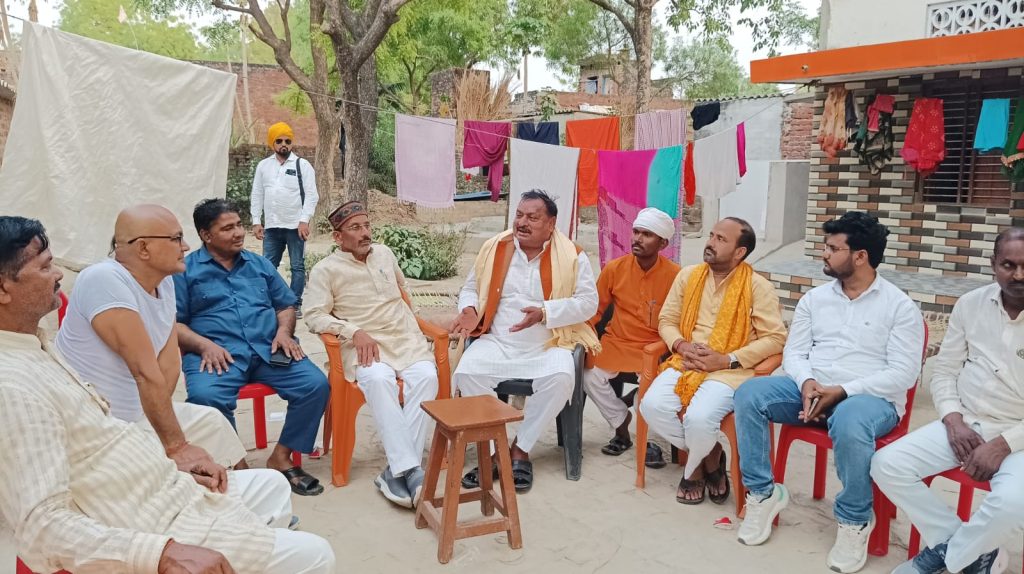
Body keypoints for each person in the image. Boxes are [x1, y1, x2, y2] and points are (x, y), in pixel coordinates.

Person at [0, 215, 335, 574]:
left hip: (149, 484)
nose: (58, 274)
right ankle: (244, 544)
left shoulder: (36, 346)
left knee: (272, 486)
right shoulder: (13, 386)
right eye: (45, 266)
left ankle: (249, 533)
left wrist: (167, 469)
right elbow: (42, 525)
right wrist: (159, 552)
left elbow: (164, 366)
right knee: (317, 554)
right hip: (140, 516)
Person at [734, 211, 924, 574]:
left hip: (871, 400)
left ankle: (855, 519)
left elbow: (903, 373)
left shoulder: (900, 307)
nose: (824, 253)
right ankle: (762, 493)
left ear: (860, 256)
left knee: (850, 419)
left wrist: (843, 391)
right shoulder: (815, 299)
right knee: (750, 395)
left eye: (833, 248)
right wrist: (807, 383)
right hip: (812, 389)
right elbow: (794, 353)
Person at [872, 227, 1024, 574]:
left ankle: (949, 557)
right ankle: (971, 550)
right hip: (966, 422)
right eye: (1009, 265)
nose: (1018, 275)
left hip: (1019, 435)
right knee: (887, 464)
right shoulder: (971, 304)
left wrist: (1003, 444)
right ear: (993, 264)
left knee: (1012, 505)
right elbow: (944, 372)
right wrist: (953, 420)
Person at [55, 205, 246, 478]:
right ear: (143, 248)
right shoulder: (103, 279)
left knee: (213, 422)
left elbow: (168, 367)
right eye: (176, 238)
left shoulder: (164, 282)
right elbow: (145, 372)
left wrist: (158, 428)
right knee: (187, 459)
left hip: (138, 417)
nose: (186, 246)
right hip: (99, 427)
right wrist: (176, 447)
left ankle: (237, 489)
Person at [175, 198, 330, 496]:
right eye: (227, 228)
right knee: (205, 397)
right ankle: (239, 467)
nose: (238, 233)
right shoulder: (184, 271)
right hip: (217, 356)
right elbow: (174, 323)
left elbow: (285, 305)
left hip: (267, 349)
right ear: (206, 235)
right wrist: (204, 345)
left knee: (315, 385)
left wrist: (284, 332)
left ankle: (281, 457)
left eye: (239, 225)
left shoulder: (259, 264)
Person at [450, 189, 599, 493]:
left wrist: (545, 313)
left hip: (548, 343)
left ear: (551, 223)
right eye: (519, 215)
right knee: (466, 372)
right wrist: (469, 309)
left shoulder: (573, 255)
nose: (522, 222)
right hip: (497, 341)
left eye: (532, 217)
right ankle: (496, 451)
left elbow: (588, 303)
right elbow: (470, 288)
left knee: (562, 378)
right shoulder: (495, 248)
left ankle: (521, 448)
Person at [638, 217, 786, 506]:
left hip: (730, 371)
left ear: (740, 252)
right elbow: (667, 320)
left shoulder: (758, 287)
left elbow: (775, 338)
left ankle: (692, 471)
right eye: (711, 235)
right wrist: (681, 345)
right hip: (687, 361)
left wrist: (728, 359)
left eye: (721, 239)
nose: (710, 243)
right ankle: (711, 455)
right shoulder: (689, 276)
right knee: (651, 406)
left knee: (699, 418)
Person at [303, 201, 438, 508]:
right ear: (338, 237)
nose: (365, 233)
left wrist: (417, 319)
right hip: (364, 346)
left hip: (405, 340)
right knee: (378, 380)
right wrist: (352, 331)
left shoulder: (385, 254)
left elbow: (403, 290)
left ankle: (398, 471)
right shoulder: (326, 270)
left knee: (427, 377)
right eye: (355, 228)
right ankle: (410, 471)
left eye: (366, 226)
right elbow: (312, 315)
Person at [582, 207, 680, 463]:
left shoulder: (676, 276)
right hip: (616, 343)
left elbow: (680, 321)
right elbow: (594, 311)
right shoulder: (614, 269)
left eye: (647, 234)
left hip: (654, 348)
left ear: (663, 243)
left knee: (651, 390)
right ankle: (621, 424)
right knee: (588, 375)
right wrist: (583, 337)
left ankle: (647, 442)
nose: (637, 238)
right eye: (636, 232)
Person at [251, 122, 319, 315]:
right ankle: (269, 302)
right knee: (267, 266)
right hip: (272, 226)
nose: (283, 145)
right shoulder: (263, 166)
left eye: (287, 141)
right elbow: (257, 194)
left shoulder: (302, 165)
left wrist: (304, 220)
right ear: (272, 143)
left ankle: (294, 304)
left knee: (297, 266)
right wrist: (256, 221)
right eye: (279, 141)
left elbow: (312, 195)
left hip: (295, 227)